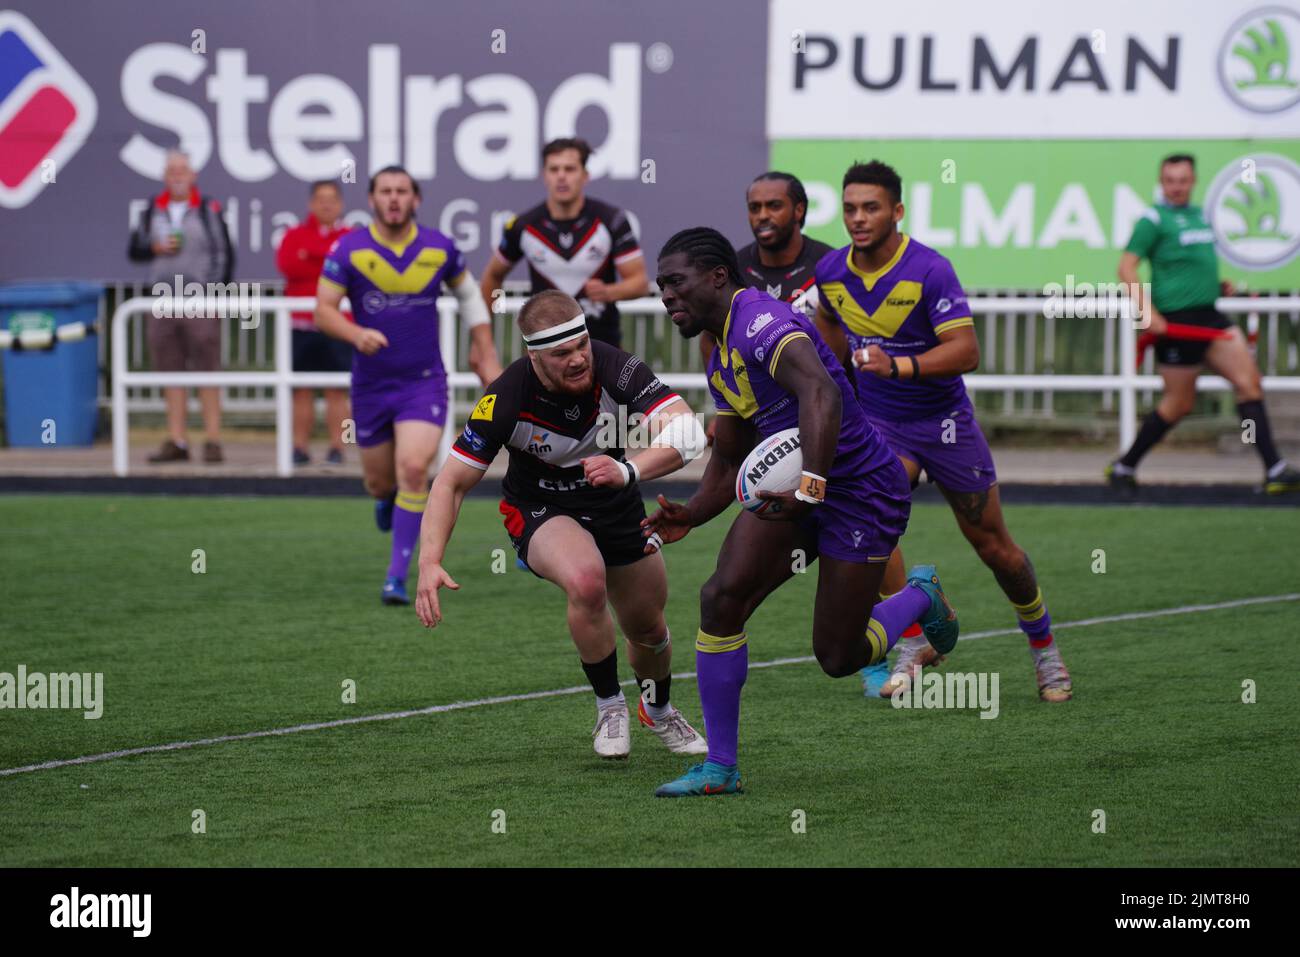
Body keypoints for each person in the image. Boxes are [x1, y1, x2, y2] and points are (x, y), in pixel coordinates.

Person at [645, 228, 959, 797]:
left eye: (675, 282)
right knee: (720, 598)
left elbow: (823, 394)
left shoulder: (761, 323)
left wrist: (813, 488)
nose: (667, 296)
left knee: (839, 656)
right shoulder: (717, 350)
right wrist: (691, 513)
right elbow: (732, 451)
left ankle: (922, 596)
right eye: (661, 286)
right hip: (799, 489)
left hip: (861, 490)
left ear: (718, 276)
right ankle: (721, 768)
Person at [812, 160, 1071, 703]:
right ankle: (913, 638)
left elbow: (966, 351)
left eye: (871, 208)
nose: (858, 219)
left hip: (946, 425)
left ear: (897, 212)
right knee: (874, 529)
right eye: (850, 208)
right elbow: (830, 328)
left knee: (995, 547)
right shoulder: (832, 272)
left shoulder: (930, 270)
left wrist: (898, 367)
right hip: (882, 427)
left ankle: (1044, 648)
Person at [415, 290, 710, 760]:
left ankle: (657, 709)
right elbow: (449, 483)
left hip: (615, 500)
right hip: (540, 508)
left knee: (648, 629)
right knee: (586, 580)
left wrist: (627, 471)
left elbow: (688, 433)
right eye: (561, 354)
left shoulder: (618, 368)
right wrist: (429, 561)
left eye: (582, 347)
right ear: (534, 356)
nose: (577, 360)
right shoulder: (505, 398)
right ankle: (610, 705)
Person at [315, 165, 502, 605]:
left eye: (402, 191)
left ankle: (396, 576)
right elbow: (324, 310)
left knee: (415, 470)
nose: (394, 198)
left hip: (423, 383)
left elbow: (471, 298)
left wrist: (484, 348)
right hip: (370, 385)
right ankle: (388, 501)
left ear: (415, 199)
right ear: (372, 199)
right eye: (386, 191)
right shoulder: (350, 249)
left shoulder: (440, 248)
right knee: (381, 484)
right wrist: (354, 333)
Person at [1109, 153, 1300, 495]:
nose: (1177, 187)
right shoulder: (1153, 220)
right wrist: (1147, 312)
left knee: (1250, 384)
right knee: (1179, 404)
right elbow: (1126, 268)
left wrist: (1218, 285)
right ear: (1161, 182)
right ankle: (1125, 466)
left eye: (1183, 181)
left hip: (1211, 318)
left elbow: (1192, 266)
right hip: (1177, 325)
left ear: (1193, 181)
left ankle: (1274, 468)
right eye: (1170, 181)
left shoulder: (1200, 216)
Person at [479, 138, 647, 349]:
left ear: (585, 176)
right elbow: (493, 277)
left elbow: (639, 282)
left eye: (569, 169)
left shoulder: (611, 220)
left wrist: (609, 292)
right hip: (544, 352)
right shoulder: (523, 226)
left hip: (602, 348)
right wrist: (485, 337)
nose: (561, 176)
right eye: (554, 169)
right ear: (544, 176)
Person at [127, 149, 233, 463]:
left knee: (207, 371)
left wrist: (211, 293)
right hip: (161, 299)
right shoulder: (151, 210)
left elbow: (224, 253)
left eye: (182, 170)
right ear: (164, 175)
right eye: (172, 170)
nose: (177, 176)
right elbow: (134, 249)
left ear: (193, 175)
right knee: (170, 371)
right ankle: (178, 440)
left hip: (199, 300)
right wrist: (153, 246)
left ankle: (213, 440)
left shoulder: (207, 209)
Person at [276, 180, 352, 466]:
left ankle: (337, 448)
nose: (326, 204)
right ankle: (299, 448)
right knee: (300, 389)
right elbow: (289, 265)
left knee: (337, 389)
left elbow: (349, 269)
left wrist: (312, 255)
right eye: (321, 199)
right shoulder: (293, 235)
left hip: (339, 325)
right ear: (311, 203)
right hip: (302, 326)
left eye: (332, 199)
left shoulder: (349, 236)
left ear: (340, 204)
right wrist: (327, 257)